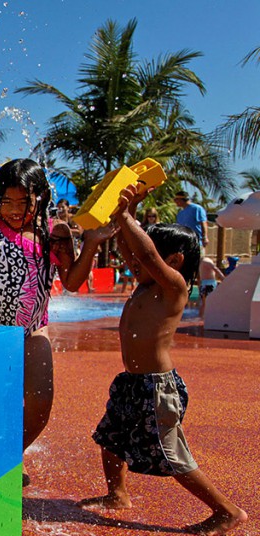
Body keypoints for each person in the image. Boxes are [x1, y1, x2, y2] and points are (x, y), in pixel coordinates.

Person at [78, 184, 247, 535]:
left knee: (171, 455)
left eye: (146, 258)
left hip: (157, 388)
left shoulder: (173, 286)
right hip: (132, 382)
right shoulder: (144, 282)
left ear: (174, 261)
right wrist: (125, 217)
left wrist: (126, 216)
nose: (135, 263)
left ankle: (227, 511)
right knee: (110, 439)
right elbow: (133, 249)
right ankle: (117, 494)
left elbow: (147, 256)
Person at [0, 159, 113, 481]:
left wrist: (92, 244)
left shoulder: (53, 234)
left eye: (23, 202)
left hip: (32, 332)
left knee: (40, 402)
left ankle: (10, 454)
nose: (15, 210)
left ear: (40, 197)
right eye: (7, 202)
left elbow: (71, 282)